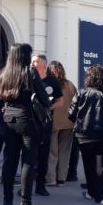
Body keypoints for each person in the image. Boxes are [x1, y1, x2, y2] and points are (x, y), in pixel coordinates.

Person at [0, 43, 50, 205]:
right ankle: (26, 203)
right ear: (24, 56)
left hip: (9, 119)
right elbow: (45, 99)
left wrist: (3, 104)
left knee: (10, 160)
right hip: (27, 119)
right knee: (28, 162)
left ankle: (7, 203)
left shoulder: (4, 73)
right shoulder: (29, 72)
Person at [68, 65, 103, 204]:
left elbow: (71, 114)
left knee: (88, 165)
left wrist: (79, 122)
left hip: (84, 134)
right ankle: (99, 196)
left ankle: (91, 192)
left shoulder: (81, 93)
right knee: (102, 166)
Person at [31, 53, 63, 196]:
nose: (32, 63)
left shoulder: (52, 81)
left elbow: (60, 101)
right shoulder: (28, 79)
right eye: (31, 61)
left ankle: (40, 185)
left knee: (43, 155)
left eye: (35, 61)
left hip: (45, 122)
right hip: (30, 122)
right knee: (29, 155)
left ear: (43, 64)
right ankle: (26, 186)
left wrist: (48, 108)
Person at [46, 61, 76, 187]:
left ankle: (51, 178)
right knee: (64, 152)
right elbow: (76, 101)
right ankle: (61, 178)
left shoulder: (49, 84)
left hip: (53, 121)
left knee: (52, 152)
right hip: (68, 122)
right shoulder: (69, 85)